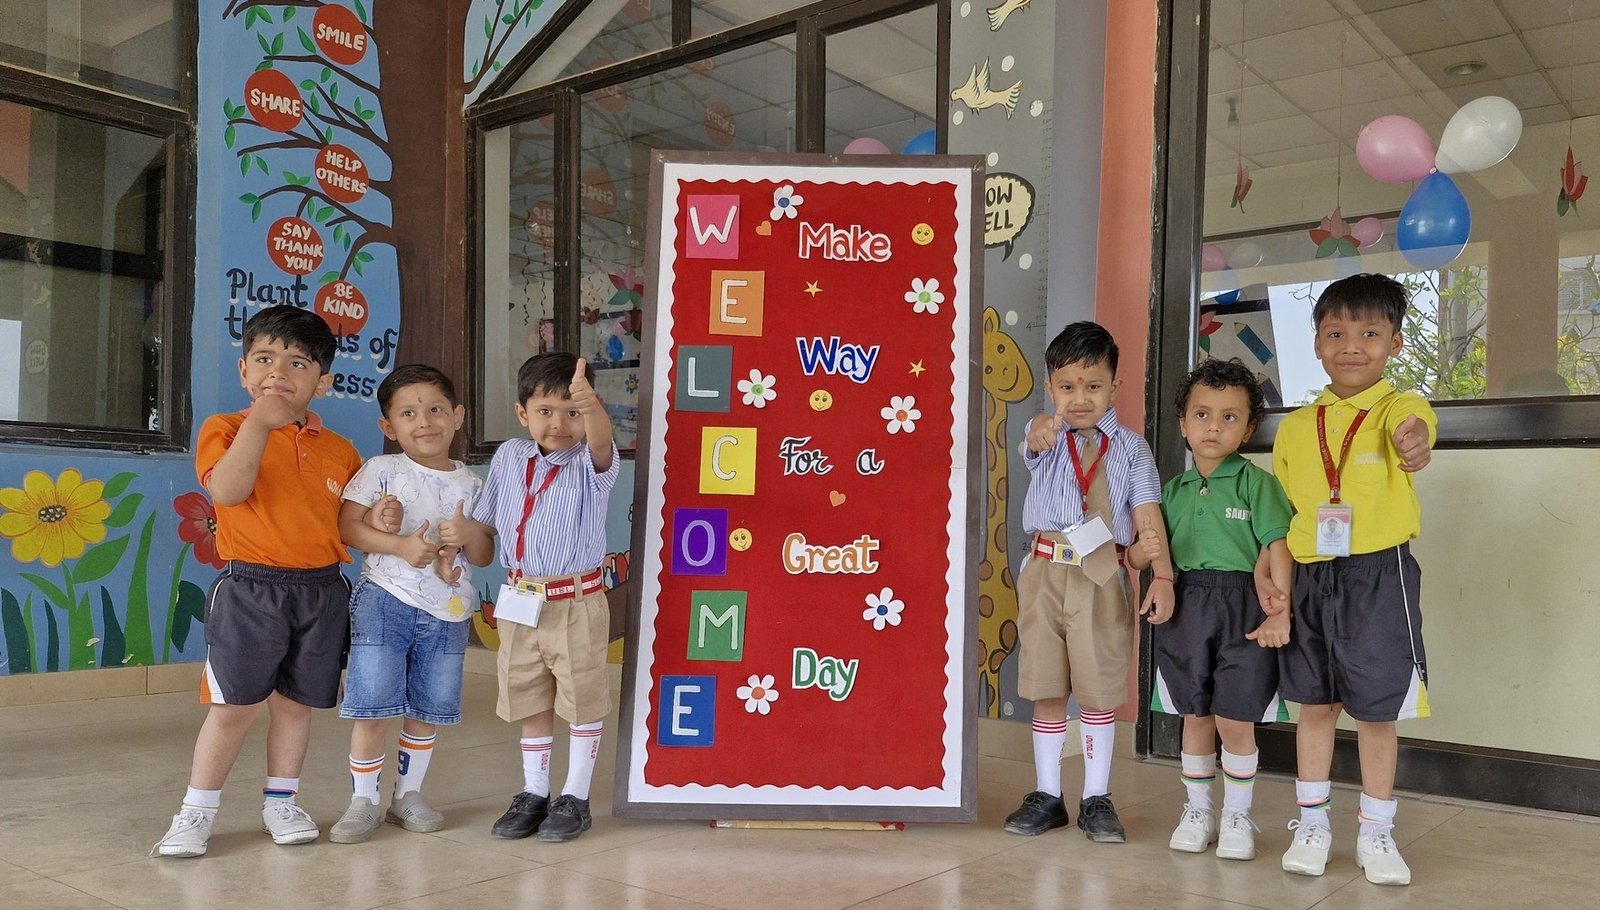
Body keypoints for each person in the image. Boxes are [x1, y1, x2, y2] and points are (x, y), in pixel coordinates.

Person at [151, 306, 362, 857]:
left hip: (322, 591)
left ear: (322, 382)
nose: (279, 373)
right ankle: (195, 812)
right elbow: (227, 491)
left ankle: (281, 802)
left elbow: (345, 525)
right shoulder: (224, 429)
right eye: (265, 359)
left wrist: (382, 520)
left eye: (298, 363)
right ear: (244, 371)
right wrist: (260, 425)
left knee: (294, 706)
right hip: (251, 589)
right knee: (234, 708)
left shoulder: (340, 451)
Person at [1270, 273, 1435, 886]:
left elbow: (1417, 429)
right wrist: (1276, 584)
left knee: (1375, 710)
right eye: (1336, 333)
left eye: (1369, 333)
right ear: (1317, 343)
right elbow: (1282, 516)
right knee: (1314, 705)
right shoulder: (1296, 427)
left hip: (1378, 575)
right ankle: (1312, 826)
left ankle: (1376, 832)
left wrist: (1415, 442)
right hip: (1310, 575)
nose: (1351, 346)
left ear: (1394, 343)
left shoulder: (1398, 408)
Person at [1004, 321, 1176, 843]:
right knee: (1046, 685)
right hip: (1044, 572)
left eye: (1094, 385)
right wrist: (1039, 427)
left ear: (1114, 387)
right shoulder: (1045, 437)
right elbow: (1034, 441)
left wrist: (1162, 575)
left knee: (1099, 691)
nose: (1080, 398)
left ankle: (1096, 797)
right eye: (1067, 386)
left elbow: (1147, 514)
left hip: (1101, 573)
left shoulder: (1132, 449)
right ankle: (1048, 794)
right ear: (1050, 387)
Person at [1131, 358, 1292, 862]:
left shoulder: (1258, 484)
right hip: (1187, 607)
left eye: (1229, 417)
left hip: (1244, 608)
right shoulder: (1170, 492)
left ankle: (1238, 816)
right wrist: (1143, 560)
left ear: (1248, 429)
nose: (1213, 427)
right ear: (1183, 423)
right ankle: (1198, 811)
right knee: (1195, 714)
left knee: (1235, 717)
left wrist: (1280, 610)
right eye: (1202, 415)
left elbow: (1279, 546)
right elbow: (1144, 554)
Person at [328, 365, 494, 843]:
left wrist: (468, 534)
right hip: (385, 601)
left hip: (449, 610)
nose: (425, 422)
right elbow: (347, 528)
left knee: (427, 706)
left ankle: (408, 795)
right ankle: (363, 800)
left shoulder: (475, 485)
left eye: (436, 409)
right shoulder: (381, 471)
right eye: (408, 413)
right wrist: (399, 544)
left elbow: (484, 554)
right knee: (373, 704)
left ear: (458, 416)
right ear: (388, 426)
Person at [460, 352, 618, 842]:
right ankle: (534, 790)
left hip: (575, 602)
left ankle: (575, 795)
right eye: (545, 411)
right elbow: (486, 525)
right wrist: (458, 535)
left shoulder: (591, 463)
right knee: (528, 695)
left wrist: (593, 409)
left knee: (581, 698)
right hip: (519, 600)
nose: (559, 424)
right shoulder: (510, 456)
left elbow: (601, 442)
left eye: (573, 412)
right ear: (522, 413)